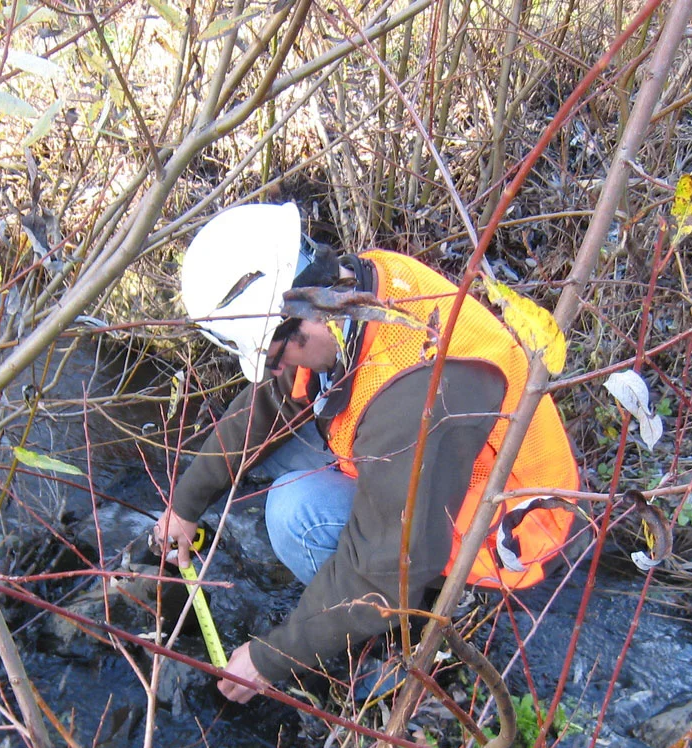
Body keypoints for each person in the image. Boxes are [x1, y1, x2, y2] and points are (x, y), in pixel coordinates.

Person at [153, 202, 579, 703]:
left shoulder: (417, 394)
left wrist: (275, 656)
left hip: (503, 540)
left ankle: (409, 631)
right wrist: (186, 504)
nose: (273, 372)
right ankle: (355, 604)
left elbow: (386, 564)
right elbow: (269, 402)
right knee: (268, 456)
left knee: (295, 512)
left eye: (272, 357)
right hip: (420, 466)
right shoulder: (350, 291)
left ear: (299, 325)